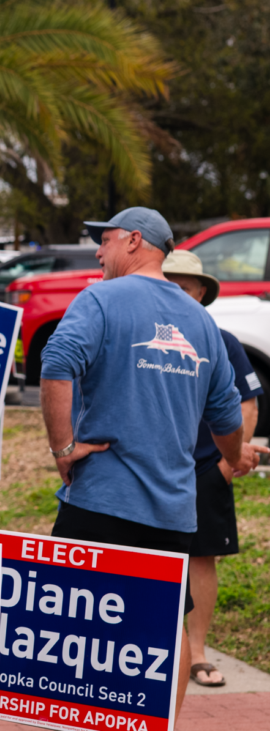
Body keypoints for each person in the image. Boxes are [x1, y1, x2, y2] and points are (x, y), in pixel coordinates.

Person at [39, 206, 267, 720]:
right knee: (165, 626)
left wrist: (62, 449)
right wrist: (237, 457)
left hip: (100, 496)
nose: (98, 252)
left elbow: (55, 363)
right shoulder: (203, 324)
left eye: (106, 241)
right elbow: (227, 415)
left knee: (74, 623)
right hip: (170, 509)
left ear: (135, 241)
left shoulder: (100, 298)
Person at [162, 249, 263, 687]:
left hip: (206, 468)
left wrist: (227, 461)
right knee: (147, 556)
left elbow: (247, 403)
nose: (176, 294)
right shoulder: (145, 338)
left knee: (201, 559)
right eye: (168, 285)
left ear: (201, 293)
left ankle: (197, 653)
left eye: (184, 287)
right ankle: (156, 650)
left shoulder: (223, 341)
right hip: (150, 468)